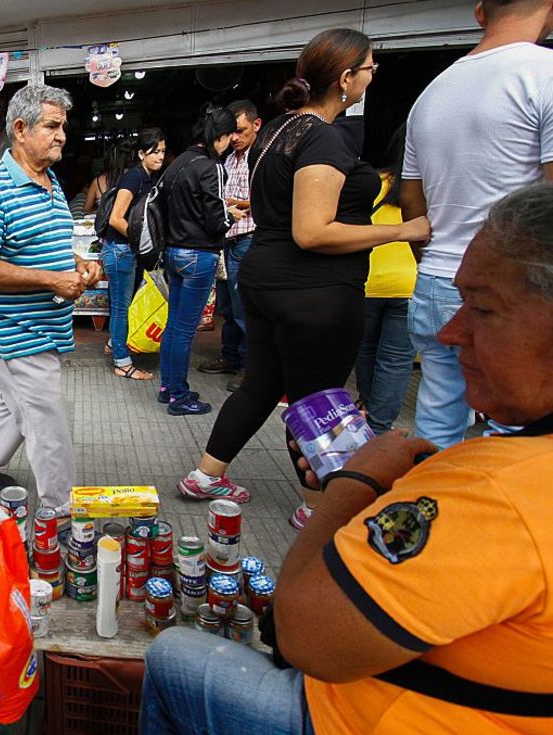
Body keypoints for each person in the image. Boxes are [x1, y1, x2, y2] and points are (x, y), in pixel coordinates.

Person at [140, 181, 553, 735]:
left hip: (356, 716)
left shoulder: (503, 494)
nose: (452, 333)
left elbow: (297, 635)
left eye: (482, 308)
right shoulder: (508, 468)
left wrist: (353, 483)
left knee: (173, 657)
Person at [178, 29, 430, 528]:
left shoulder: (275, 130)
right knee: (320, 399)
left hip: (268, 277)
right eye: (370, 69)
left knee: (265, 384)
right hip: (313, 289)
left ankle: (207, 475)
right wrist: (403, 229)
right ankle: (316, 509)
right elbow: (312, 231)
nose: (373, 76)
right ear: (345, 77)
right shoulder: (324, 139)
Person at [401, 0, 553, 449]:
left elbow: (413, 199)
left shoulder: (433, 90)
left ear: (480, 13)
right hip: (515, 292)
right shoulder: (543, 72)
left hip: (433, 281)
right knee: (518, 437)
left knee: (436, 428)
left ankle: (431, 509)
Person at [0, 83, 104, 508]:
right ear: (20, 129)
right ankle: (59, 513)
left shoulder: (49, 180)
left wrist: (75, 264)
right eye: (52, 126)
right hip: (16, 330)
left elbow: (47, 242)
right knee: (47, 423)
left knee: (13, 405)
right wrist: (51, 280)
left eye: (64, 126)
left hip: (46, 324)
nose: (61, 135)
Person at [158, 106, 241, 415]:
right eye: (229, 137)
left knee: (174, 326)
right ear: (220, 136)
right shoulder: (212, 167)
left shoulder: (178, 162)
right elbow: (215, 222)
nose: (230, 143)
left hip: (174, 252)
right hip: (198, 255)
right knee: (184, 330)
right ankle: (179, 396)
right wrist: (231, 216)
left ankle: (168, 388)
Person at [356, 124, 417, 434]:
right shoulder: (431, 188)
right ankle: (379, 428)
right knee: (395, 360)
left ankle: (365, 407)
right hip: (410, 282)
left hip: (369, 280)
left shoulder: (372, 182)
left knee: (365, 349)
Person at [199, 99, 262, 393]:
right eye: (231, 133)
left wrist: (230, 203)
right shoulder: (228, 160)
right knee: (226, 306)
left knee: (244, 308)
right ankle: (231, 356)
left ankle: (251, 368)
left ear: (256, 125)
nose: (235, 138)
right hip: (226, 238)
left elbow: (262, 201)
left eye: (240, 131)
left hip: (248, 239)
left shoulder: (262, 157)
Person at [102, 128, 166, 381]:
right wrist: (143, 242)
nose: (160, 156)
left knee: (124, 305)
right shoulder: (134, 178)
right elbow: (116, 218)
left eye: (162, 151)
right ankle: (122, 361)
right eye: (154, 151)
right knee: (121, 308)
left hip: (127, 252)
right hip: (120, 251)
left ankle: (113, 344)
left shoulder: (147, 177)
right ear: (141, 153)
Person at [82, 140, 130, 214]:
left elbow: (86, 210)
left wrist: (100, 210)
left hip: (104, 223)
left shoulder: (97, 182)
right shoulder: (133, 177)